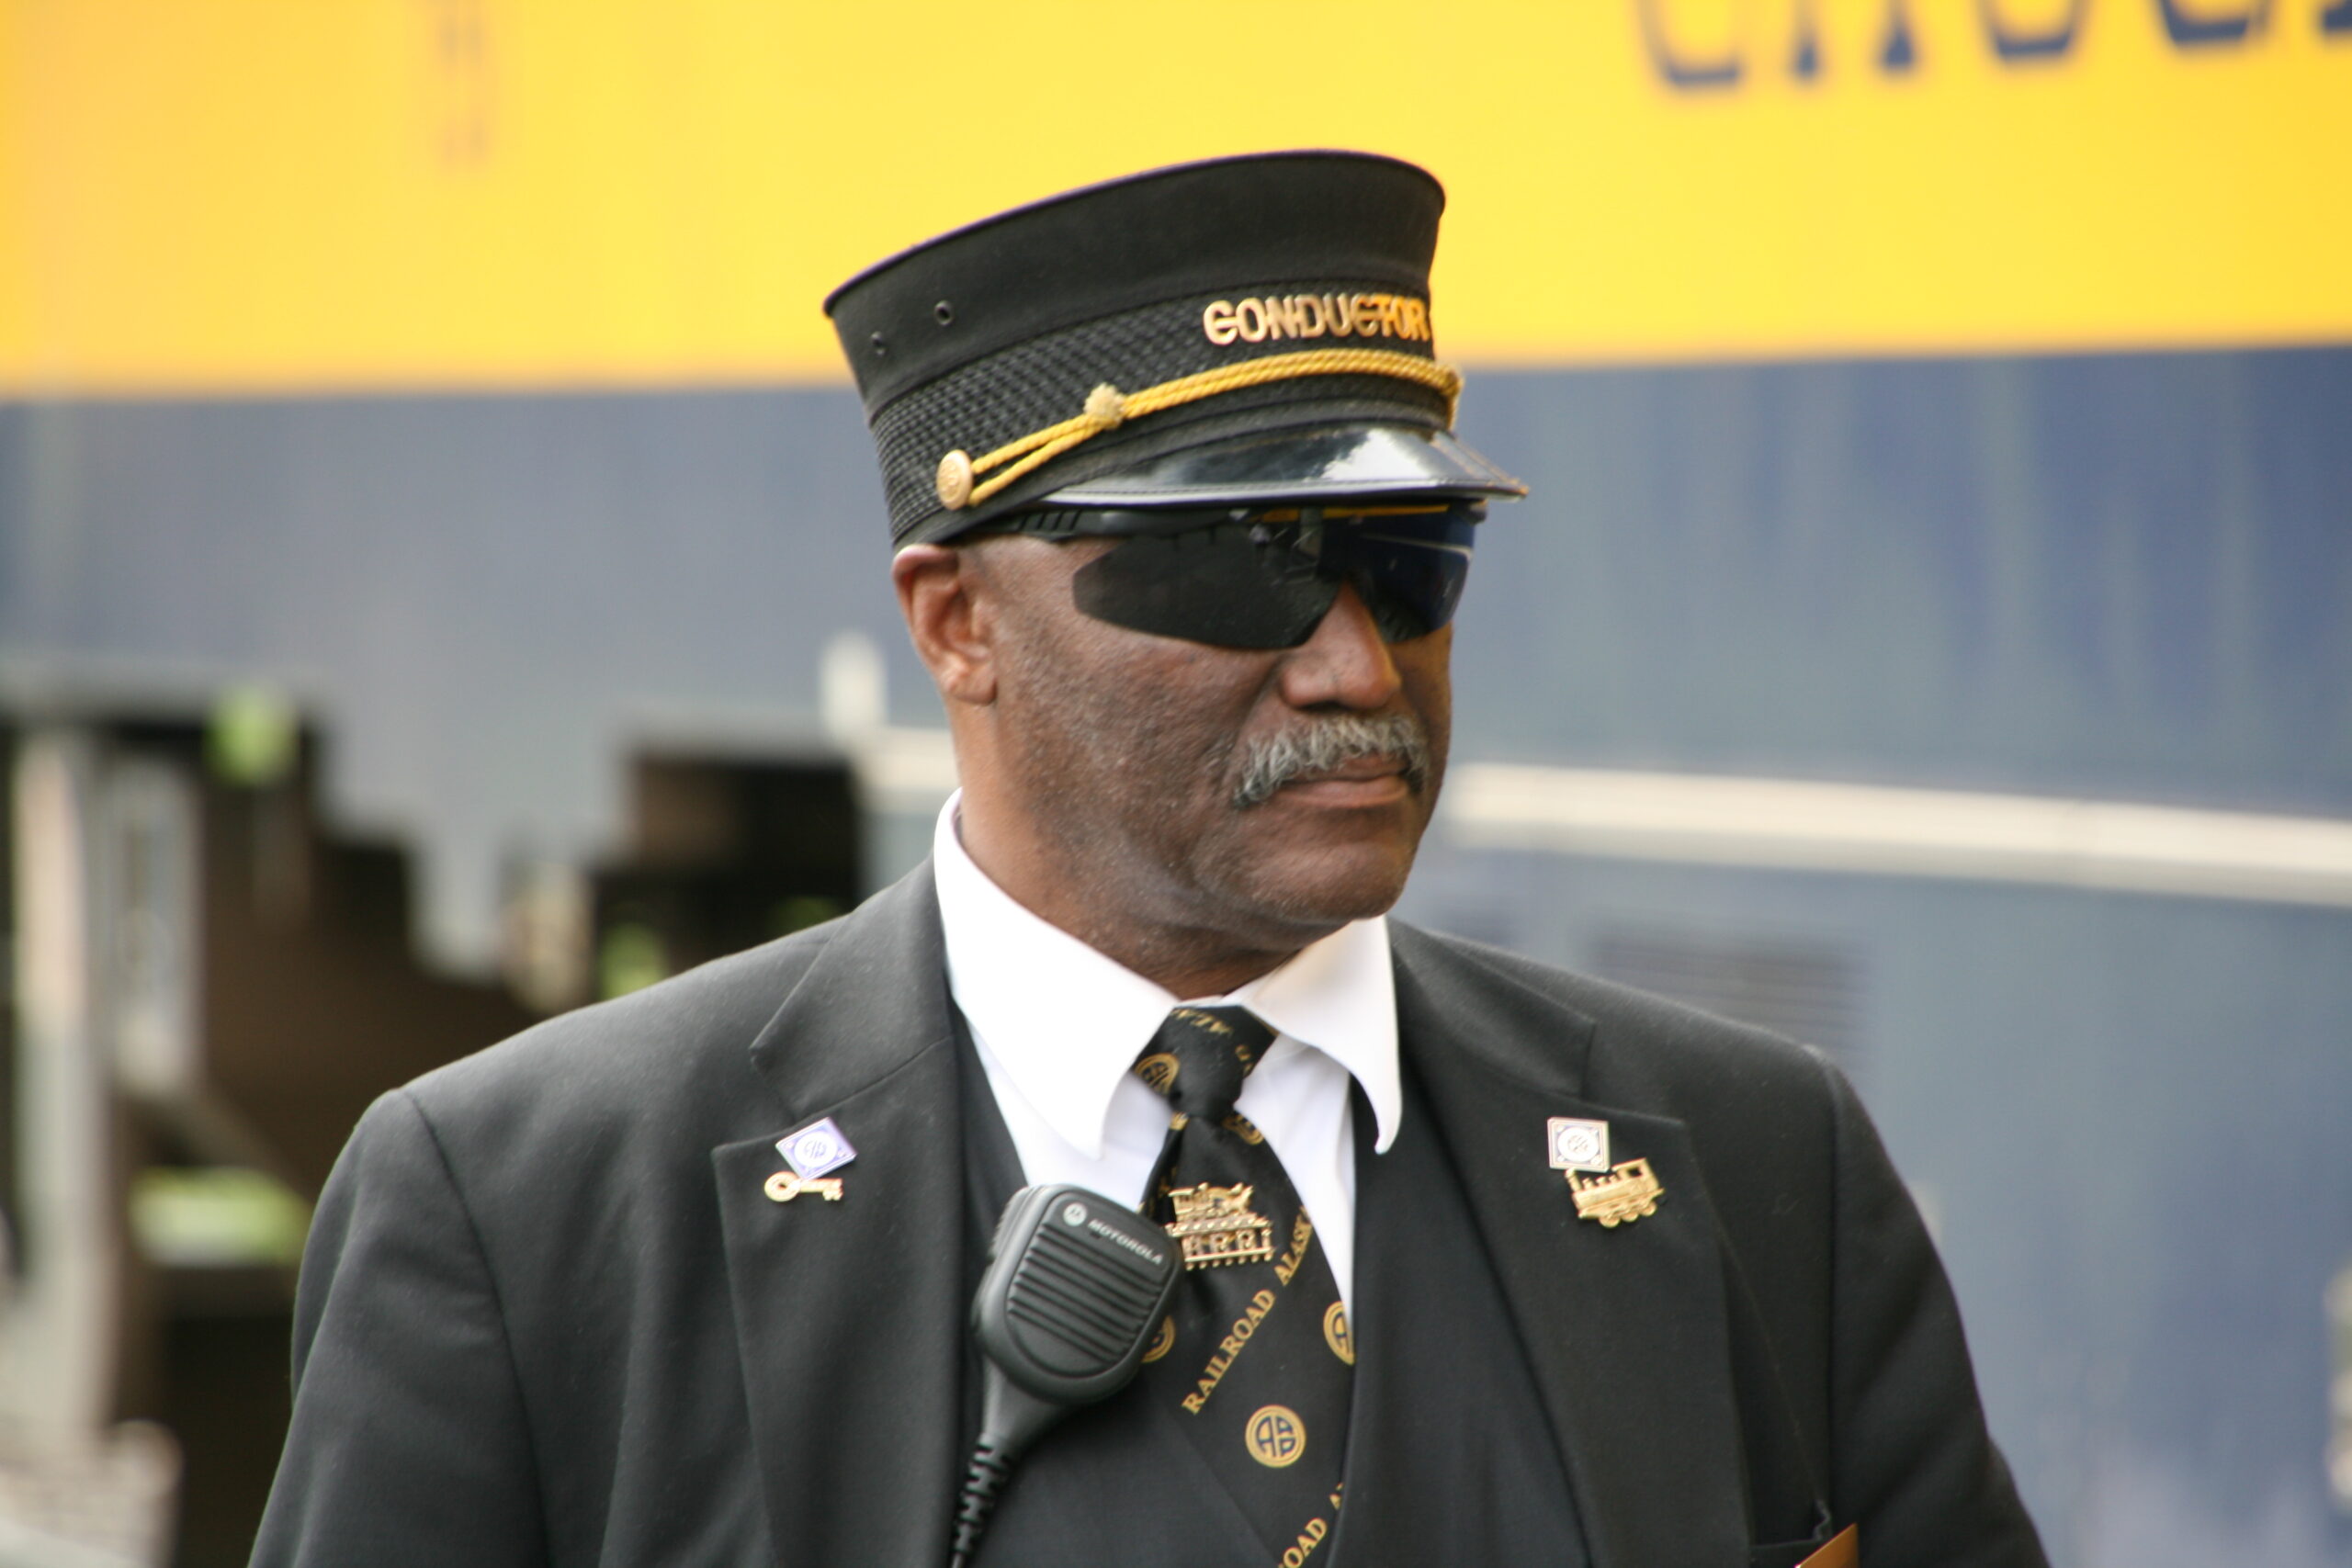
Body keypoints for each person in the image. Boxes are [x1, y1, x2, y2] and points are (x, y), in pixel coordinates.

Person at [253, 152, 2047, 1568]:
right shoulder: (532, 1210)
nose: (1354, 662)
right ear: (955, 619)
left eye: (1408, 558)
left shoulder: (1748, 1167)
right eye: (1237, 569)